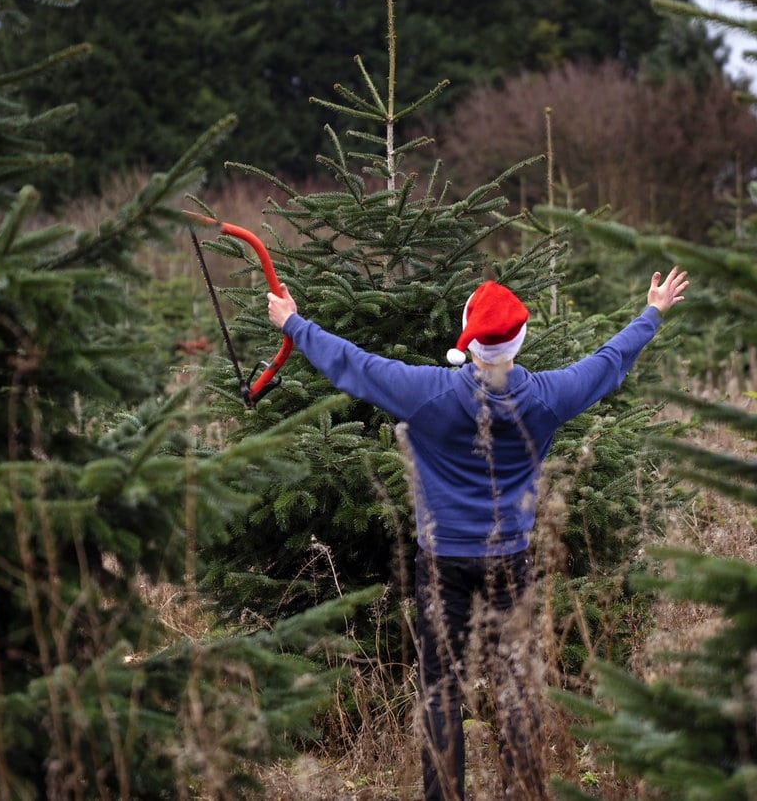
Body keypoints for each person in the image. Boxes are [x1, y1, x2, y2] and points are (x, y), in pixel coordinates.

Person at [266, 268, 689, 800]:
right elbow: (607, 363)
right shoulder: (547, 398)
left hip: (440, 564)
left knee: (440, 692)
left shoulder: (427, 394)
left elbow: (355, 365)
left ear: (468, 342)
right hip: (509, 563)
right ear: (519, 340)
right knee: (516, 689)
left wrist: (294, 323)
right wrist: (652, 312)